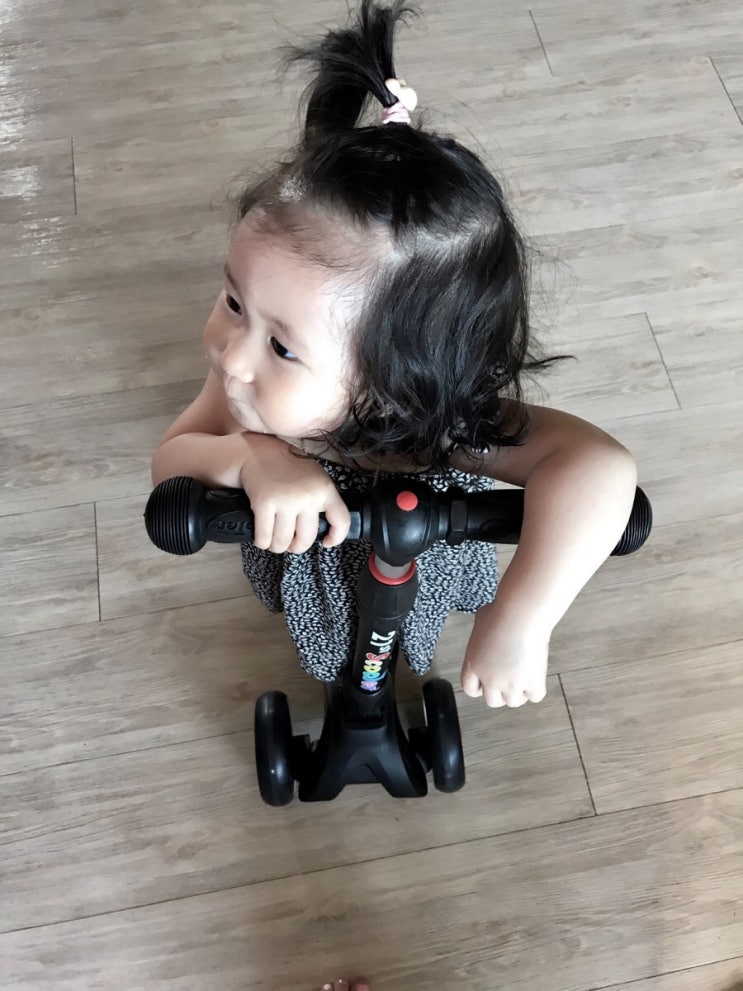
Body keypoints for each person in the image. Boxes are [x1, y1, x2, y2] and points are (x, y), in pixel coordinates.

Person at [151, 0, 637, 709]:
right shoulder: (246, 386)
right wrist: (251, 459)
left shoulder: (445, 424)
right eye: (232, 301)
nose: (231, 356)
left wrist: (523, 617)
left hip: (425, 554)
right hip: (309, 559)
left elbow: (599, 467)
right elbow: (173, 459)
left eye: (282, 344)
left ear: (397, 383)